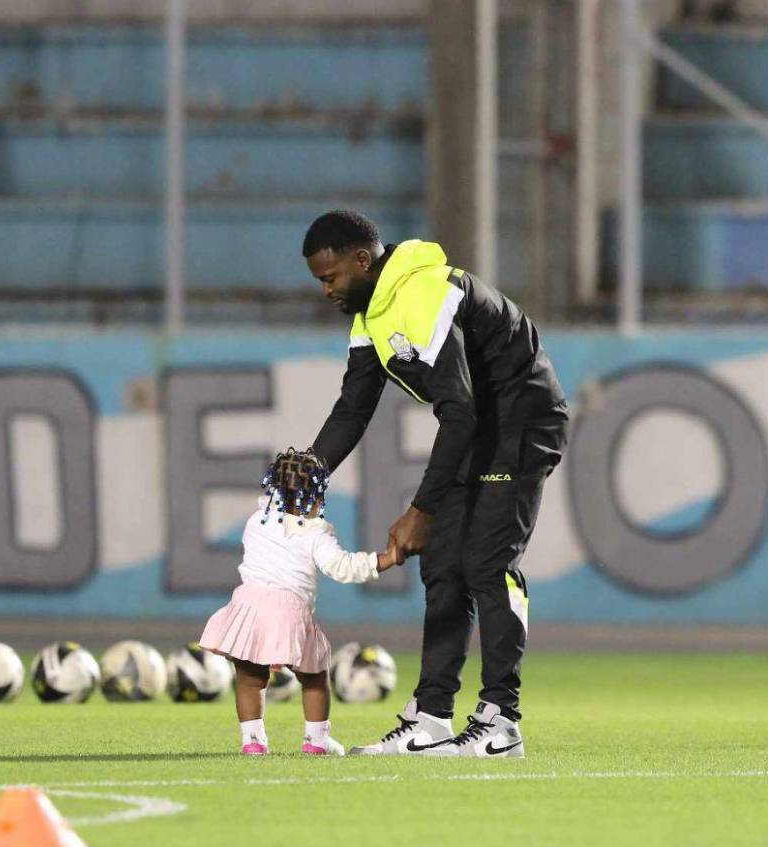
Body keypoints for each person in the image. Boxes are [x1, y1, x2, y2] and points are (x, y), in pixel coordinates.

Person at [303, 210, 569, 759]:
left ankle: (502, 721)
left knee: (488, 564)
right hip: (479, 429)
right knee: (443, 565)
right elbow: (353, 409)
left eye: (330, 277)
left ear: (362, 259)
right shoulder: (370, 314)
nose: (326, 290)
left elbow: (460, 410)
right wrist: (309, 469)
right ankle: (431, 720)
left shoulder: (422, 292)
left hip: (521, 423)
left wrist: (420, 509)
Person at [199, 447, 400, 756]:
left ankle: (253, 742)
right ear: (316, 494)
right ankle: (317, 741)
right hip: (288, 611)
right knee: (315, 677)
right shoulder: (315, 531)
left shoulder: (256, 520)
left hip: (248, 604)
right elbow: (341, 567)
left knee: (250, 680)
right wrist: (384, 559)